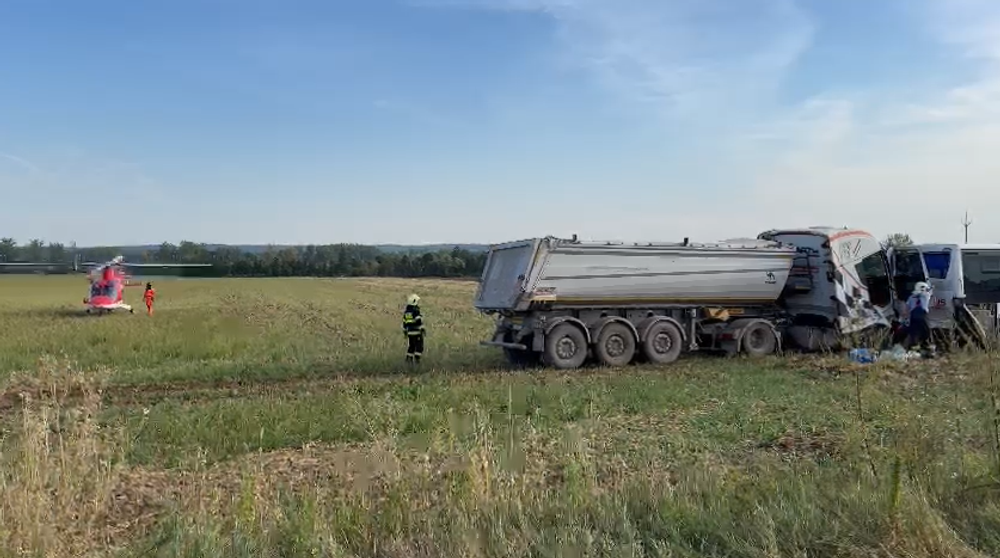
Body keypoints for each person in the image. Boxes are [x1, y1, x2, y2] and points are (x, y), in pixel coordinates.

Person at [905, 281, 933, 354]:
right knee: (923, 332)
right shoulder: (913, 297)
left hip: (916, 316)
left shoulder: (923, 296)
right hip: (917, 316)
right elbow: (907, 307)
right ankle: (918, 346)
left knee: (918, 332)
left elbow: (927, 293)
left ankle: (918, 346)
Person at [402, 293, 426, 364]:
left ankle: (408, 359)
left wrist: (405, 332)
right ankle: (417, 360)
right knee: (419, 347)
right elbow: (418, 321)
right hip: (417, 332)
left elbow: (404, 323)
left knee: (411, 346)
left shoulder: (406, 312)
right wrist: (422, 329)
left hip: (410, 333)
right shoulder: (415, 311)